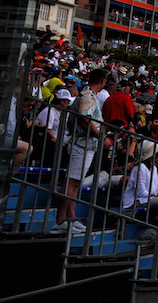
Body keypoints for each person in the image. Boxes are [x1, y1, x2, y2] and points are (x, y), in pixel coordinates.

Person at [53, 68, 108, 235]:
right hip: (82, 145)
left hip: (84, 145)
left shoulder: (87, 94)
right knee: (71, 182)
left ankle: (70, 217)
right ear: (103, 81)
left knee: (75, 183)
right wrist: (101, 137)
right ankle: (61, 220)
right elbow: (85, 120)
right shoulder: (88, 96)